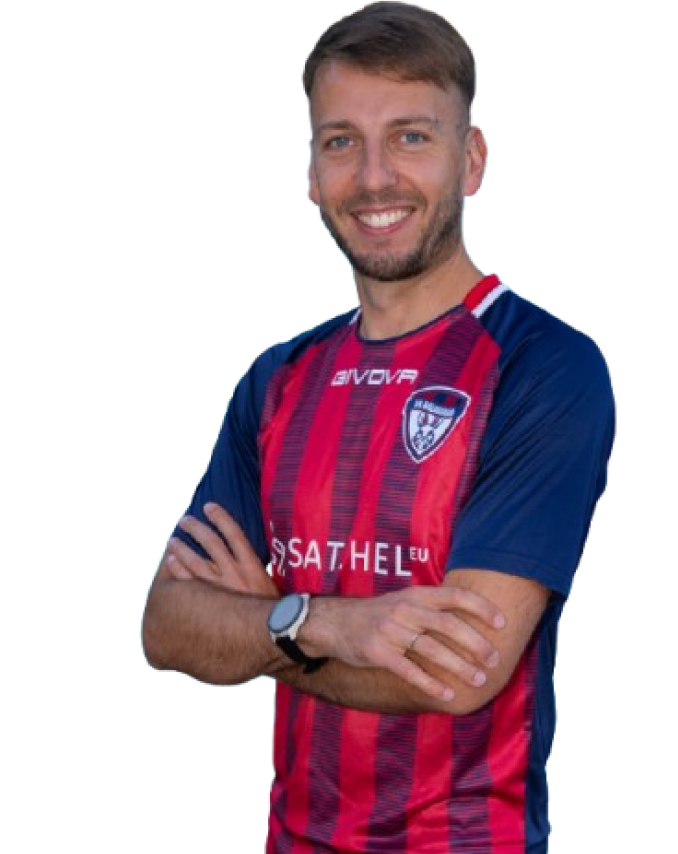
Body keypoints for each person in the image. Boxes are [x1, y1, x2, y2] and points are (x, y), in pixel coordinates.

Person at [141, 3, 615, 852]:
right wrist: (324, 625)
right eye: (341, 142)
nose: (373, 177)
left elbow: (457, 674)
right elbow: (167, 627)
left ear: (472, 160)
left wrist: (263, 623)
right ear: (311, 174)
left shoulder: (544, 364)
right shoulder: (277, 378)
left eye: (410, 137)